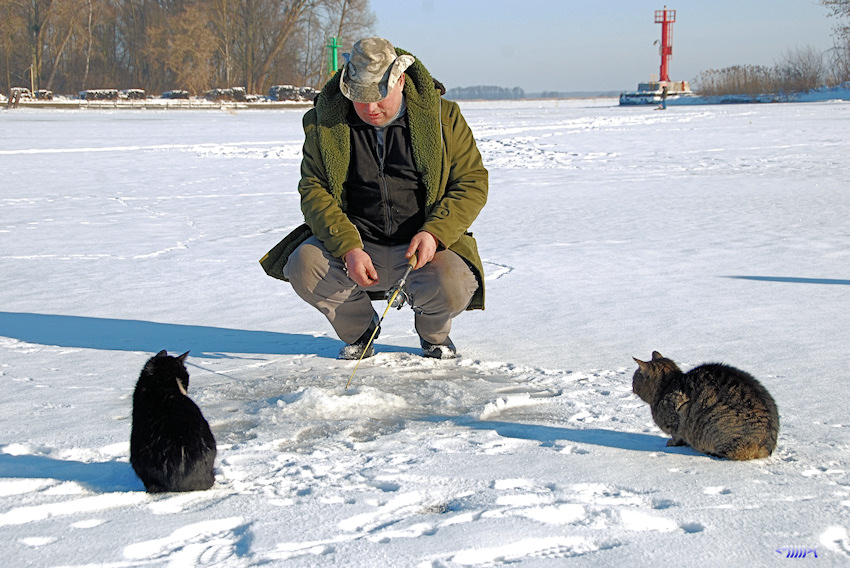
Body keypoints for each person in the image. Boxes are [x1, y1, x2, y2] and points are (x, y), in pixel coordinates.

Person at [261, 37, 488, 360]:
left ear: (401, 81)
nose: (370, 109)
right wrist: (348, 247)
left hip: (421, 248)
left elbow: (471, 182)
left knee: (453, 282)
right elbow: (313, 190)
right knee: (303, 264)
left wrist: (435, 233)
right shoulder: (325, 122)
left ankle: (434, 336)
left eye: (379, 97)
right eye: (360, 98)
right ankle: (360, 331)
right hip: (356, 246)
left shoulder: (444, 119)